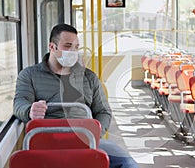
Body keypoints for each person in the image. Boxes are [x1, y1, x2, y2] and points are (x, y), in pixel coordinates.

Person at [13, 23, 138, 168]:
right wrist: (30, 111)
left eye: (76, 47)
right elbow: (19, 103)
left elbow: (103, 111)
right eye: (67, 46)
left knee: (127, 163)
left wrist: (95, 134)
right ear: (52, 47)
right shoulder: (30, 75)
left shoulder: (88, 77)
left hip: (85, 136)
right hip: (46, 136)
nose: (73, 51)